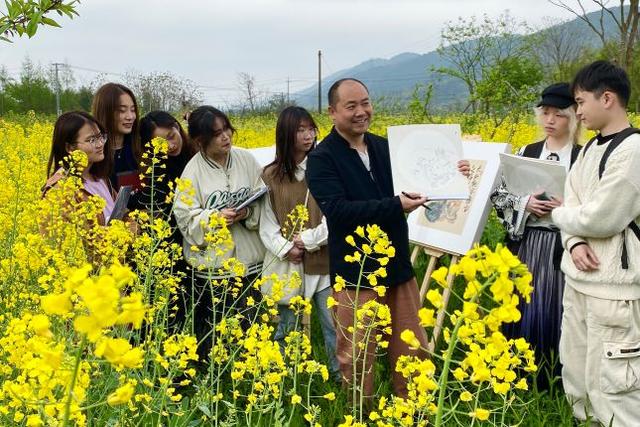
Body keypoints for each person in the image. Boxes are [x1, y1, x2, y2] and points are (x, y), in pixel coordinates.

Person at [306, 78, 469, 399]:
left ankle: (411, 413)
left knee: (413, 349)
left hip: (397, 269)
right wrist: (395, 205)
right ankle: (360, 415)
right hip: (356, 276)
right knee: (356, 357)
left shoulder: (386, 148)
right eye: (351, 106)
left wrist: (454, 172)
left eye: (365, 103)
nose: (361, 111)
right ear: (332, 112)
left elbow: (422, 182)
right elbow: (339, 211)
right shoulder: (322, 157)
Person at [551, 61, 640, 426]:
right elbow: (572, 203)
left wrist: (561, 218)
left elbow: (602, 217)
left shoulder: (634, 150)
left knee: (615, 384)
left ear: (607, 98)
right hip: (578, 280)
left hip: (615, 289)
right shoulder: (588, 151)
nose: (578, 111)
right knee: (576, 370)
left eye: (581, 101)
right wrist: (572, 243)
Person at [490, 82, 582, 389]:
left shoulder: (585, 156)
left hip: (565, 245)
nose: (550, 121)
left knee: (558, 307)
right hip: (528, 243)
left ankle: (557, 377)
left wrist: (568, 208)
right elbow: (499, 197)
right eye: (545, 113)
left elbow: (595, 203)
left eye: (559, 114)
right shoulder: (526, 152)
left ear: (574, 117)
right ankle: (516, 374)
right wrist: (524, 203)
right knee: (523, 305)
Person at [173, 106, 265, 360]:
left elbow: (264, 200)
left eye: (226, 129)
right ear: (201, 140)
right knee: (222, 330)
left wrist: (247, 214)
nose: (225, 137)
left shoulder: (246, 159)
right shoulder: (192, 172)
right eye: (217, 134)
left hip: (251, 260)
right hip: (215, 266)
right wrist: (216, 218)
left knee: (255, 325)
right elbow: (185, 218)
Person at [259, 106, 340, 381]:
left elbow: (336, 214)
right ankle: (282, 380)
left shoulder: (325, 167)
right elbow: (265, 222)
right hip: (288, 266)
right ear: (286, 134)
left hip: (323, 262)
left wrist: (308, 240)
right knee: (287, 326)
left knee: (333, 326)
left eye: (310, 129)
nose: (308, 136)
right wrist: (286, 248)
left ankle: (341, 380)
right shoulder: (269, 175)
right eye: (300, 130)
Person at [139, 111, 197, 330]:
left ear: (177, 127)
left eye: (172, 136)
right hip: (171, 245)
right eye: (160, 143)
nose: (170, 145)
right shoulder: (154, 169)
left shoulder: (197, 155)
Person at [43, 111, 114, 225]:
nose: (100, 144)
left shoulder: (100, 178)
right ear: (70, 147)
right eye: (91, 140)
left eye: (100, 137)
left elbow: (122, 214)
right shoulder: (60, 191)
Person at [92, 83, 143, 195]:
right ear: (105, 112)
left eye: (133, 110)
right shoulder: (93, 155)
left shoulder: (140, 148)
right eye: (122, 111)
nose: (130, 117)